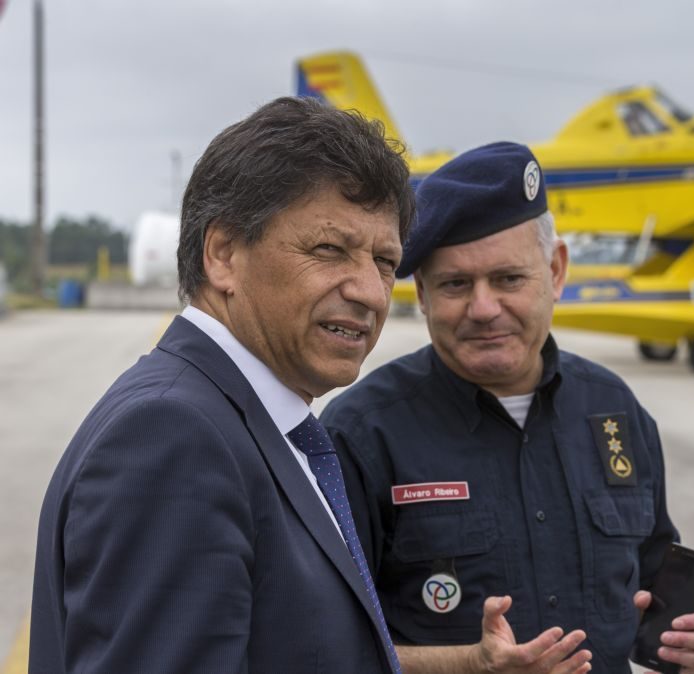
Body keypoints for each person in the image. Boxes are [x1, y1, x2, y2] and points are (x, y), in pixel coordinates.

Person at [29, 97, 415, 673]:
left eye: (385, 262)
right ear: (223, 254)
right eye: (330, 249)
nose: (370, 293)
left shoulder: (250, 422)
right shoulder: (175, 437)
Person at [320, 141, 694, 673]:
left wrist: (677, 641)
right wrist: (466, 665)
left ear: (555, 271)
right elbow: (319, 647)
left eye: (508, 279)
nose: (484, 309)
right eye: (456, 284)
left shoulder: (615, 411)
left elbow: (652, 578)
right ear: (424, 296)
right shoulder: (361, 435)